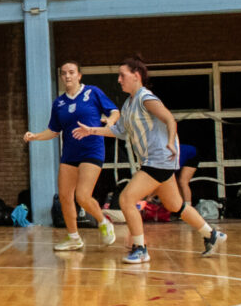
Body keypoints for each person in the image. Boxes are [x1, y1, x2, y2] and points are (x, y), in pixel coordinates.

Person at [72, 56, 226, 264]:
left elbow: (169, 119)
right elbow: (118, 130)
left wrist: (171, 142)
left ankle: (140, 248)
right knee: (175, 205)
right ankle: (211, 234)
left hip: (158, 159)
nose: (119, 80)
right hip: (154, 161)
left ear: (136, 76)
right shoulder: (128, 104)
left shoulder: (146, 98)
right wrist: (91, 130)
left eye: (122, 75)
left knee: (126, 199)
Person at [23, 60, 120, 251]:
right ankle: (74, 237)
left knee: (82, 196)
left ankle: (103, 221)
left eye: (71, 72)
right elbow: (53, 130)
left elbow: (114, 111)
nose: (67, 76)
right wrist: (35, 136)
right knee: (66, 196)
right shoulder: (59, 103)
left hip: (92, 150)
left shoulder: (92, 92)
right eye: (64, 73)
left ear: (79, 75)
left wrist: (109, 121)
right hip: (69, 154)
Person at [176, 143, 199, 209]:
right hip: (180, 156)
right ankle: (180, 206)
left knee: (182, 182)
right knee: (176, 182)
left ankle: (188, 208)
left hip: (192, 155)